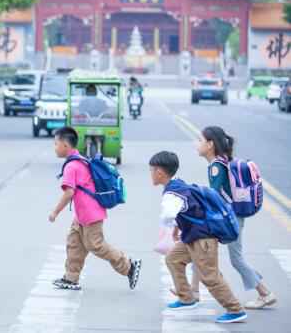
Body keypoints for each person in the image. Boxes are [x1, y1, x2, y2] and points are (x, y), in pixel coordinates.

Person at [150, 151, 247, 324]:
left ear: (159, 172)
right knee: (173, 259)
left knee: (209, 276)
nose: (150, 174)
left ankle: (235, 309)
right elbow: (188, 209)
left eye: (151, 170)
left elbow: (167, 215)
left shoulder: (172, 194)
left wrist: (168, 225)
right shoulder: (177, 184)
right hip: (191, 237)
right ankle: (186, 297)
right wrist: (176, 228)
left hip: (202, 240)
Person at [49, 127, 142, 291]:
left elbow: (69, 192)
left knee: (95, 245)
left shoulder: (72, 166)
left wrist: (55, 212)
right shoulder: (79, 160)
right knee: (74, 243)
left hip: (90, 213)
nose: (54, 147)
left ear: (65, 145)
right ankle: (71, 278)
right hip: (82, 214)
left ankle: (128, 265)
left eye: (55, 144)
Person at [196, 126, 277, 309]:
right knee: (202, 250)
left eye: (199, 140)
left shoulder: (216, 166)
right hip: (232, 216)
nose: (197, 144)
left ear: (210, 145)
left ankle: (264, 292)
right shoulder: (221, 162)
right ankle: (191, 292)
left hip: (229, 218)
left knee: (234, 258)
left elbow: (214, 195)